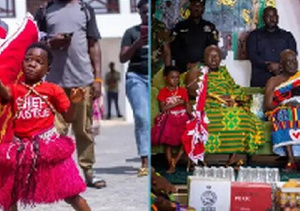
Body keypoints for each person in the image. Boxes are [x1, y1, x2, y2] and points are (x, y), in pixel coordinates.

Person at [0, 42, 91, 211]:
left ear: (48, 69)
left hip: (48, 148)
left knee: (71, 194)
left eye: (39, 61)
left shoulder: (53, 90)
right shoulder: (15, 89)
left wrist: (74, 103)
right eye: (28, 59)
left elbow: (68, 118)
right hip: (20, 150)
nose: (32, 64)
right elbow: (4, 95)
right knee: (10, 195)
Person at [35, 0, 106, 188]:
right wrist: (51, 43)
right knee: (56, 132)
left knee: (83, 129)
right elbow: (35, 45)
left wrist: (97, 79)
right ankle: (55, 175)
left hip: (81, 83)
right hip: (54, 85)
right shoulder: (44, 11)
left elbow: (93, 45)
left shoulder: (85, 9)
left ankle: (89, 172)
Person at [183, 45, 265, 168]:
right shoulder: (197, 71)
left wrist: (231, 97)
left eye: (216, 56)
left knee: (243, 116)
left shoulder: (224, 72)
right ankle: (200, 157)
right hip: (208, 105)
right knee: (208, 118)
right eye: (210, 56)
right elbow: (192, 92)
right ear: (204, 58)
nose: (214, 59)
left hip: (227, 105)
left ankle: (233, 157)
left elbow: (234, 88)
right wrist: (216, 96)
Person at [120, 0, 149, 177]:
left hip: (158, 77)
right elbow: (123, 58)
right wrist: (136, 44)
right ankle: (145, 161)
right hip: (136, 77)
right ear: (139, 13)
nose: (147, 15)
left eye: (149, 12)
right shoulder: (131, 33)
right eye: (144, 12)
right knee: (141, 115)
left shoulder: (160, 33)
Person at [264, 49, 300, 172]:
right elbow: (267, 105)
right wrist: (285, 105)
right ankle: (291, 160)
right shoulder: (273, 81)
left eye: (294, 60)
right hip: (279, 110)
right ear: (281, 65)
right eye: (288, 61)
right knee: (285, 113)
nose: (293, 64)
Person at [151, 66, 192, 173]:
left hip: (183, 118)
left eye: (177, 78)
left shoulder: (183, 91)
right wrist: (177, 103)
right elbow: (163, 108)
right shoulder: (163, 92)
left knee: (185, 140)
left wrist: (192, 116)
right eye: (172, 77)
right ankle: (171, 165)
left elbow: (187, 106)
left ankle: (175, 161)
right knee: (168, 144)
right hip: (170, 119)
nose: (175, 80)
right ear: (166, 78)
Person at [247, 6, 297, 87]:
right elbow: (252, 56)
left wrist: (279, 66)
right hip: (260, 79)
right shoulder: (254, 36)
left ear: (277, 17)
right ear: (263, 18)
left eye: (274, 16)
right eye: (268, 16)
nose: (272, 19)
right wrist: (268, 65)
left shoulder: (287, 36)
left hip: (283, 81)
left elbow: (292, 55)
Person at [171, 0, 219, 73]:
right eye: (194, 5)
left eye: (199, 6)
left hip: (203, 70)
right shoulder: (180, 27)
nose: (196, 8)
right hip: (183, 70)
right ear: (189, 7)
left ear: (203, 9)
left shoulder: (209, 27)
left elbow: (212, 48)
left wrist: (200, 63)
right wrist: (187, 63)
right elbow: (175, 49)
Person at [151, 0, 172, 77]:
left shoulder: (160, 27)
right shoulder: (138, 29)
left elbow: (167, 52)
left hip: (157, 71)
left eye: (152, 4)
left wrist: (168, 72)